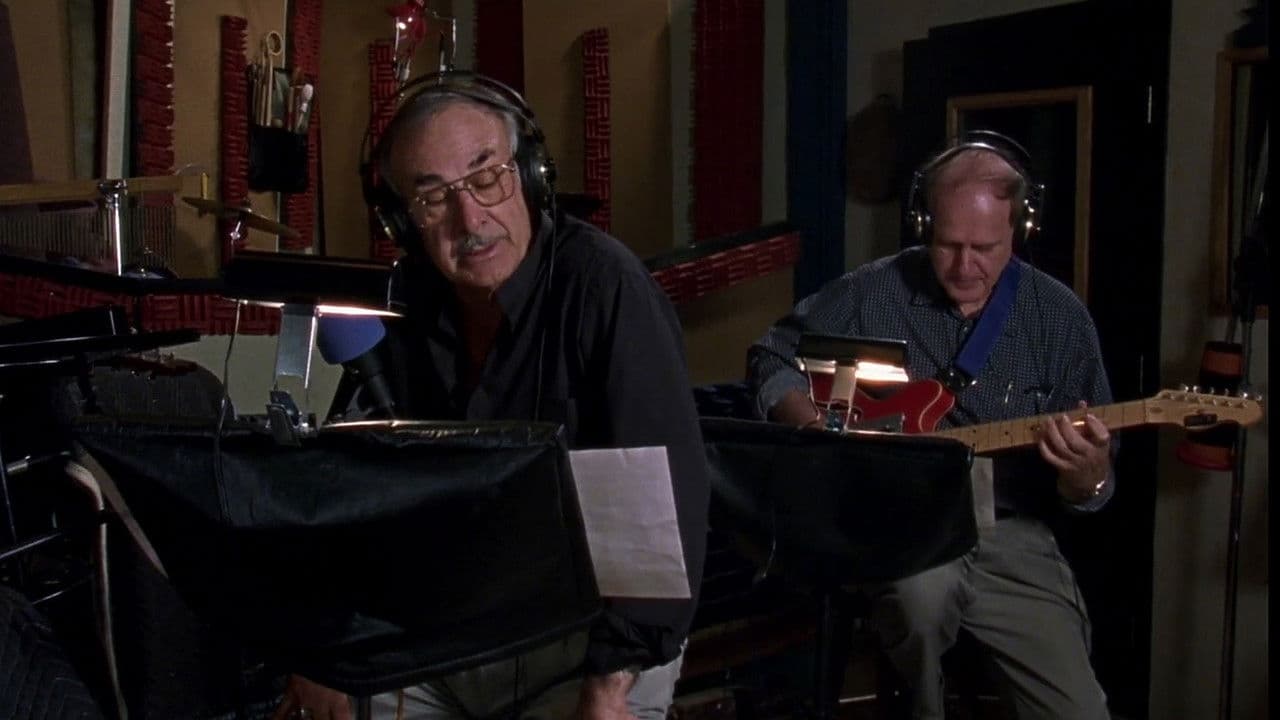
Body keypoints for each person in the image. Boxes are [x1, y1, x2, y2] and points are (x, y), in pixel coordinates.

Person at [273, 74, 709, 720]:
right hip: (454, 627)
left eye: (486, 178)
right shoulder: (407, 302)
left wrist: (609, 684)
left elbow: (661, 513)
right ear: (402, 221)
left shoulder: (606, 288)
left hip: (592, 636)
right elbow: (352, 490)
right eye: (432, 198)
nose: (470, 219)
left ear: (531, 176)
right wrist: (324, 649)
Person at [746, 131, 1114, 719]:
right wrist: (811, 425)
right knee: (919, 607)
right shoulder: (871, 291)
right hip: (905, 520)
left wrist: (1087, 476)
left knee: (1079, 710)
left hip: (1010, 532)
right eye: (948, 245)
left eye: (984, 248)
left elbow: (1092, 488)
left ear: (1020, 231)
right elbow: (771, 356)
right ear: (923, 224)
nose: (965, 266)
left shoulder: (1060, 318)